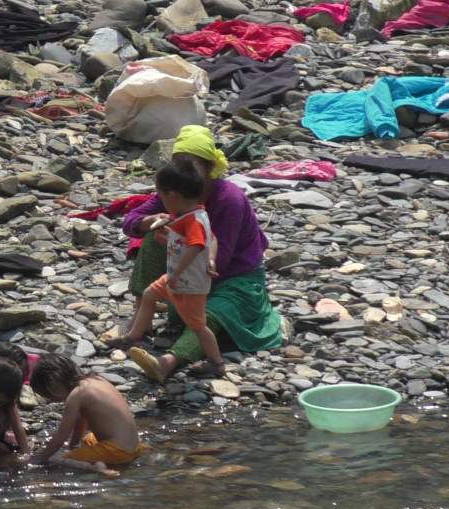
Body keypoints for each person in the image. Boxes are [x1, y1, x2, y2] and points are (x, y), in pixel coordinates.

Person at [114, 125, 282, 383]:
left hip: (233, 278)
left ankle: (170, 361)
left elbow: (218, 260)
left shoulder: (229, 199)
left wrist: (178, 267)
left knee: (210, 316)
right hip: (188, 271)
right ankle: (140, 319)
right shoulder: (175, 189)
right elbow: (131, 222)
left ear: (208, 169)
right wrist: (148, 222)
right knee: (150, 239)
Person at [119, 160, 225, 377]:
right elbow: (211, 239)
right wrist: (209, 258)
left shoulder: (194, 220)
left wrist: (176, 274)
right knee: (149, 294)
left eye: (161, 196)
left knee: (198, 326)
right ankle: (133, 336)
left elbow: (196, 245)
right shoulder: (194, 213)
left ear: (173, 195)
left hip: (188, 282)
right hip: (176, 277)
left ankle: (216, 362)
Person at [28, 354, 144, 475]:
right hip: (135, 447)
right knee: (89, 438)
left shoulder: (76, 395)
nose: (52, 400)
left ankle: (99, 469)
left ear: (54, 386)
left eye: (49, 396)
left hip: (118, 451)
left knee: (59, 459)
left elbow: (60, 438)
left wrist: (39, 458)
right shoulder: (97, 380)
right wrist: (73, 445)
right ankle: (104, 460)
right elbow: (81, 421)